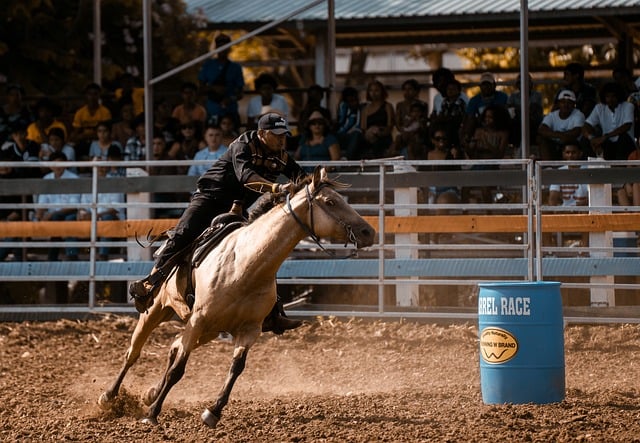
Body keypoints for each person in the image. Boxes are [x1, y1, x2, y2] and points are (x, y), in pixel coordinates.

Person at [129, 112, 307, 335]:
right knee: (183, 234)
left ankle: (274, 313)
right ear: (262, 134)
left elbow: (301, 177)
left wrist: (315, 183)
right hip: (209, 198)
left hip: (236, 207)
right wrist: (275, 188)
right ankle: (149, 284)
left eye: (284, 136)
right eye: (277, 135)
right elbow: (245, 175)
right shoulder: (242, 145)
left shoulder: (281, 157)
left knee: (260, 253)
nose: (282, 140)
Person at [79, 145, 126, 260]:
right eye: (98, 167)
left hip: (111, 219)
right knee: (77, 218)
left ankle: (102, 255)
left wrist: (96, 215)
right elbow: (83, 207)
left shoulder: (114, 182)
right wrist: (83, 214)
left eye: (102, 166)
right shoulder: (89, 184)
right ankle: (73, 256)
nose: (101, 169)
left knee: (107, 219)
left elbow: (115, 209)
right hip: (94, 218)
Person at [33, 151, 82, 261]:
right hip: (53, 216)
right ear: (50, 165)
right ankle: (69, 256)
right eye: (54, 164)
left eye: (60, 163)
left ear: (66, 164)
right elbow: (42, 202)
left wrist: (53, 214)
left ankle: (57, 257)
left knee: (65, 220)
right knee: (55, 220)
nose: (58, 166)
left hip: (70, 213)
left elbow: (75, 205)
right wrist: (39, 216)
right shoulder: (47, 179)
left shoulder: (74, 178)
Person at [198, 33, 245, 127]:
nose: (223, 49)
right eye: (220, 46)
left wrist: (230, 99)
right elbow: (200, 88)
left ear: (229, 48)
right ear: (216, 48)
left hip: (230, 111)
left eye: (226, 46)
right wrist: (213, 88)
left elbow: (240, 92)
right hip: (213, 111)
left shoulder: (235, 67)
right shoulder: (208, 65)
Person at [582, 81, 635, 160]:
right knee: (585, 140)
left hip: (625, 144)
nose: (610, 99)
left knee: (623, 137)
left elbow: (627, 126)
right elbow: (586, 125)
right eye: (607, 96)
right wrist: (592, 138)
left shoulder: (628, 106)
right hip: (607, 144)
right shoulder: (599, 107)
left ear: (619, 96)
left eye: (613, 96)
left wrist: (605, 136)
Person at [461, 72, 509, 148]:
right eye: (484, 84)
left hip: (498, 123)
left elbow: (505, 114)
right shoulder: (474, 100)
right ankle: (467, 141)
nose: (486, 87)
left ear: (494, 85)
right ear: (480, 86)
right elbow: (470, 117)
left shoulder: (502, 96)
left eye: (489, 84)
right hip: (481, 123)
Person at [537, 90, 585, 160]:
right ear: (558, 103)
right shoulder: (552, 115)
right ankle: (548, 168)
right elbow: (541, 130)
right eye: (563, 102)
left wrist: (554, 134)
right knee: (540, 139)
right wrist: (561, 136)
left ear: (574, 104)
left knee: (570, 139)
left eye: (569, 102)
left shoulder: (578, 114)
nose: (566, 105)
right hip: (556, 145)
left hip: (572, 145)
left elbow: (576, 132)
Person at [70, 83, 113, 159]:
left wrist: (85, 135)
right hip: (84, 143)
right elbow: (76, 134)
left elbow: (106, 132)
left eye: (95, 94)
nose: (92, 97)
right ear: (86, 96)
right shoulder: (80, 112)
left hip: (99, 141)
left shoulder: (105, 112)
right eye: (89, 94)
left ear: (99, 95)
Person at [356, 80, 395, 159]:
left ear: (382, 92)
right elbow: (363, 128)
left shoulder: (387, 106)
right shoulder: (365, 109)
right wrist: (369, 133)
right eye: (371, 90)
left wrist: (378, 132)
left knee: (378, 144)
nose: (373, 93)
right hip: (368, 136)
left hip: (383, 135)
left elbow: (390, 126)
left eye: (376, 90)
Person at [507, 73, 543, 147]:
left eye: (527, 82)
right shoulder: (513, 96)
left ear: (531, 84)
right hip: (518, 123)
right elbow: (510, 111)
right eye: (521, 82)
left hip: (532, 122)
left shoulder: (537, 95)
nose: (524, 84)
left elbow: (535, 111)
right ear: (517, 85)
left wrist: (518, 108)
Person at [0, 149, 24, 261]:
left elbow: (24, 205)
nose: (4, 167)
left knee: (13, 237)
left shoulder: (19, 179)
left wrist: (6, 219)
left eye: (7, 164)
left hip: (14, 220)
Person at [430, 78, 467, 148]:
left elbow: (459, 118)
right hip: (444, 125)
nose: (450, 91)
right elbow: (442, 114)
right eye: (448, 89)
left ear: (458, 91)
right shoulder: (444, 102)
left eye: (453, 89)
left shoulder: (461, 103)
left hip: (456, 126)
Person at [335, 86, 362, 157]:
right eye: (349, 101)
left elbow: (358, 125)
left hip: (354, 134)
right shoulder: (343, 107)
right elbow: (340, 121)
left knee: (357, 134)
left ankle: (347, 158)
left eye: (353, 100)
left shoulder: (360, 110)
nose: (352, 103)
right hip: (341, 134)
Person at [616, 139, 640, 207]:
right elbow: (628, 172)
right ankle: (628, 216)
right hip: (633, 182)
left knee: (636, 185)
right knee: (620, 192)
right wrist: (627, 184)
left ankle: (636, 214)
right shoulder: (634, 154)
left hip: (637, 184)